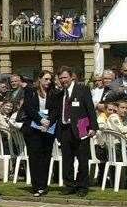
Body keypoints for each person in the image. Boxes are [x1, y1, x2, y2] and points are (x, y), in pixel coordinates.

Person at [52, 66, 96, 196]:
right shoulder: (60, 93)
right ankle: (69, 185)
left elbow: (90, 109)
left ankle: (82, 187)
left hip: (82, 126)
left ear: (72, 77)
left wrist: (93, 127)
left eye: (65, 77)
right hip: (65, 129)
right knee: (67, 159)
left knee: (82, 159)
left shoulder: (83, 89)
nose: (63, 80)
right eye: (60, 78)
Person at [17, 70, 57, 195]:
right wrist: (40, 120)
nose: (48, 82)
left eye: (50, 79)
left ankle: (43, 186)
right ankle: (36, 186)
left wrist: (48, 122)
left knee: (45, 157)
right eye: (46, 79)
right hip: (33, 128)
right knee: (35, 157)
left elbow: (55, 109)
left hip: (48, 128)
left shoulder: (53, 92)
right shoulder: (30, 91)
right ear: (39, 79)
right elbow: (28, 108)